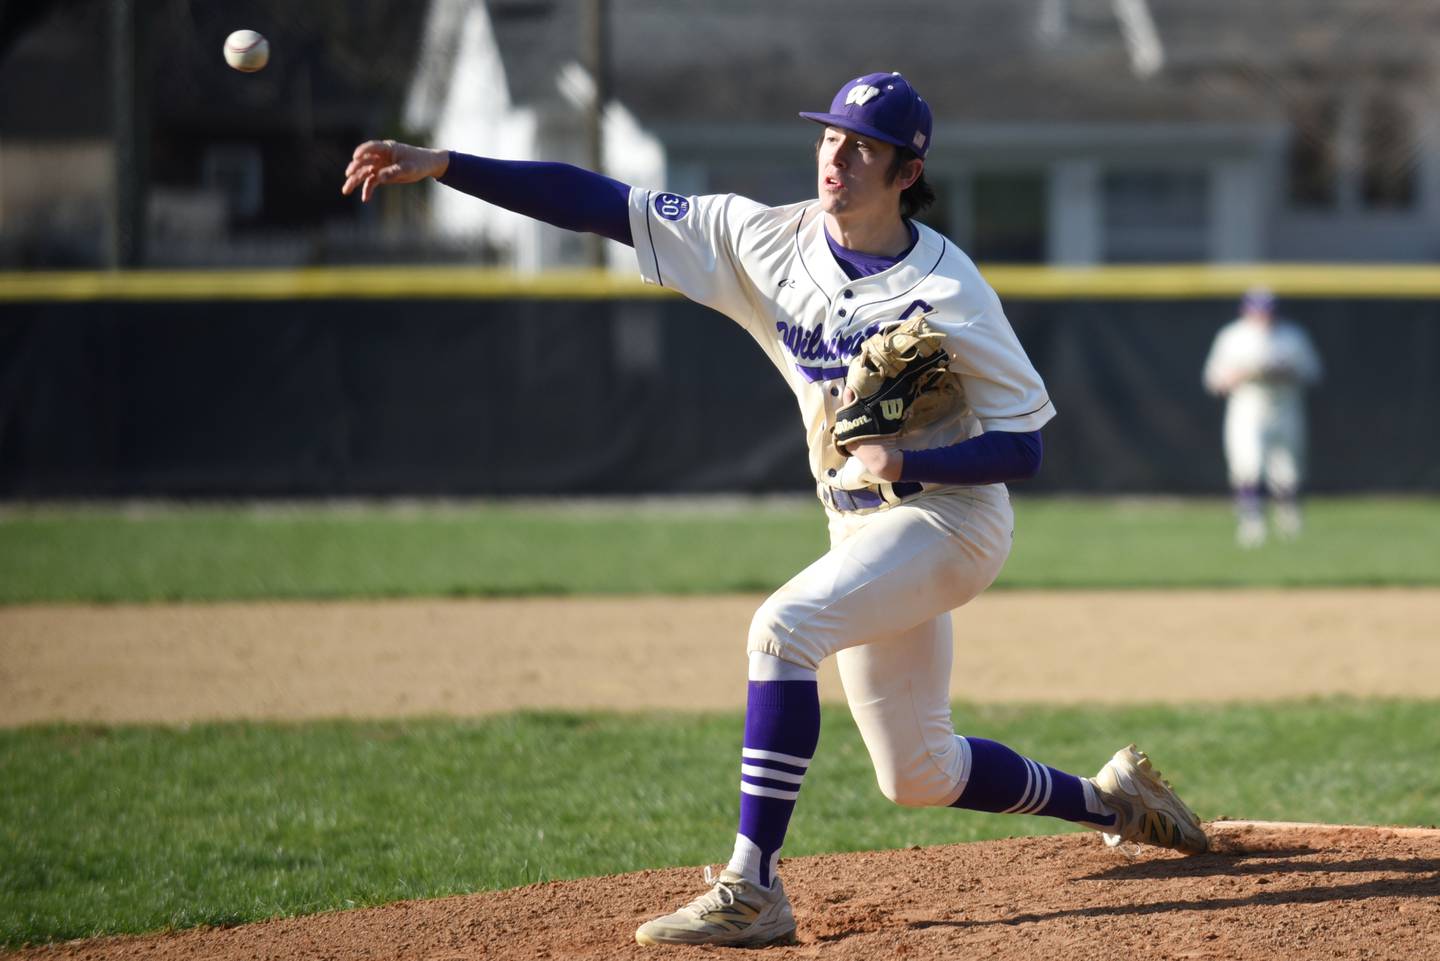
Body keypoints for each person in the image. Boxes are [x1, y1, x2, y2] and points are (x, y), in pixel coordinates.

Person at [343, 71, 1208, 948]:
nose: (838, 156)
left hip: (952, 521)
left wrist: (909, 457)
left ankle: (751, 885)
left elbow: (1025, 445)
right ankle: (1116, 800)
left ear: (907, 173)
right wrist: (447, 163)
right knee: (918, 771)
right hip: (861, 524)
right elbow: (603, 202)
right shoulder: (763, 238)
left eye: (864, 146)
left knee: (782, 629)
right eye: (832, 136)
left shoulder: (951, 290)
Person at [1203, 288, 1323, 548]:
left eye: (1267, 311)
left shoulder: (1291, 336)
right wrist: (1242, 374)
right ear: (1246, 310)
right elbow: (1213, 380)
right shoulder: (1232, 336)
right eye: (1257, 311)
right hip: (1247, 405)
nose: (1263, 317)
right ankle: (1251, 525)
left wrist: (1284, 372)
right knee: (1248, 465)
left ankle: (1290, 524)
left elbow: (1312, 372)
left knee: (1288, 469)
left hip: (1284, 403)